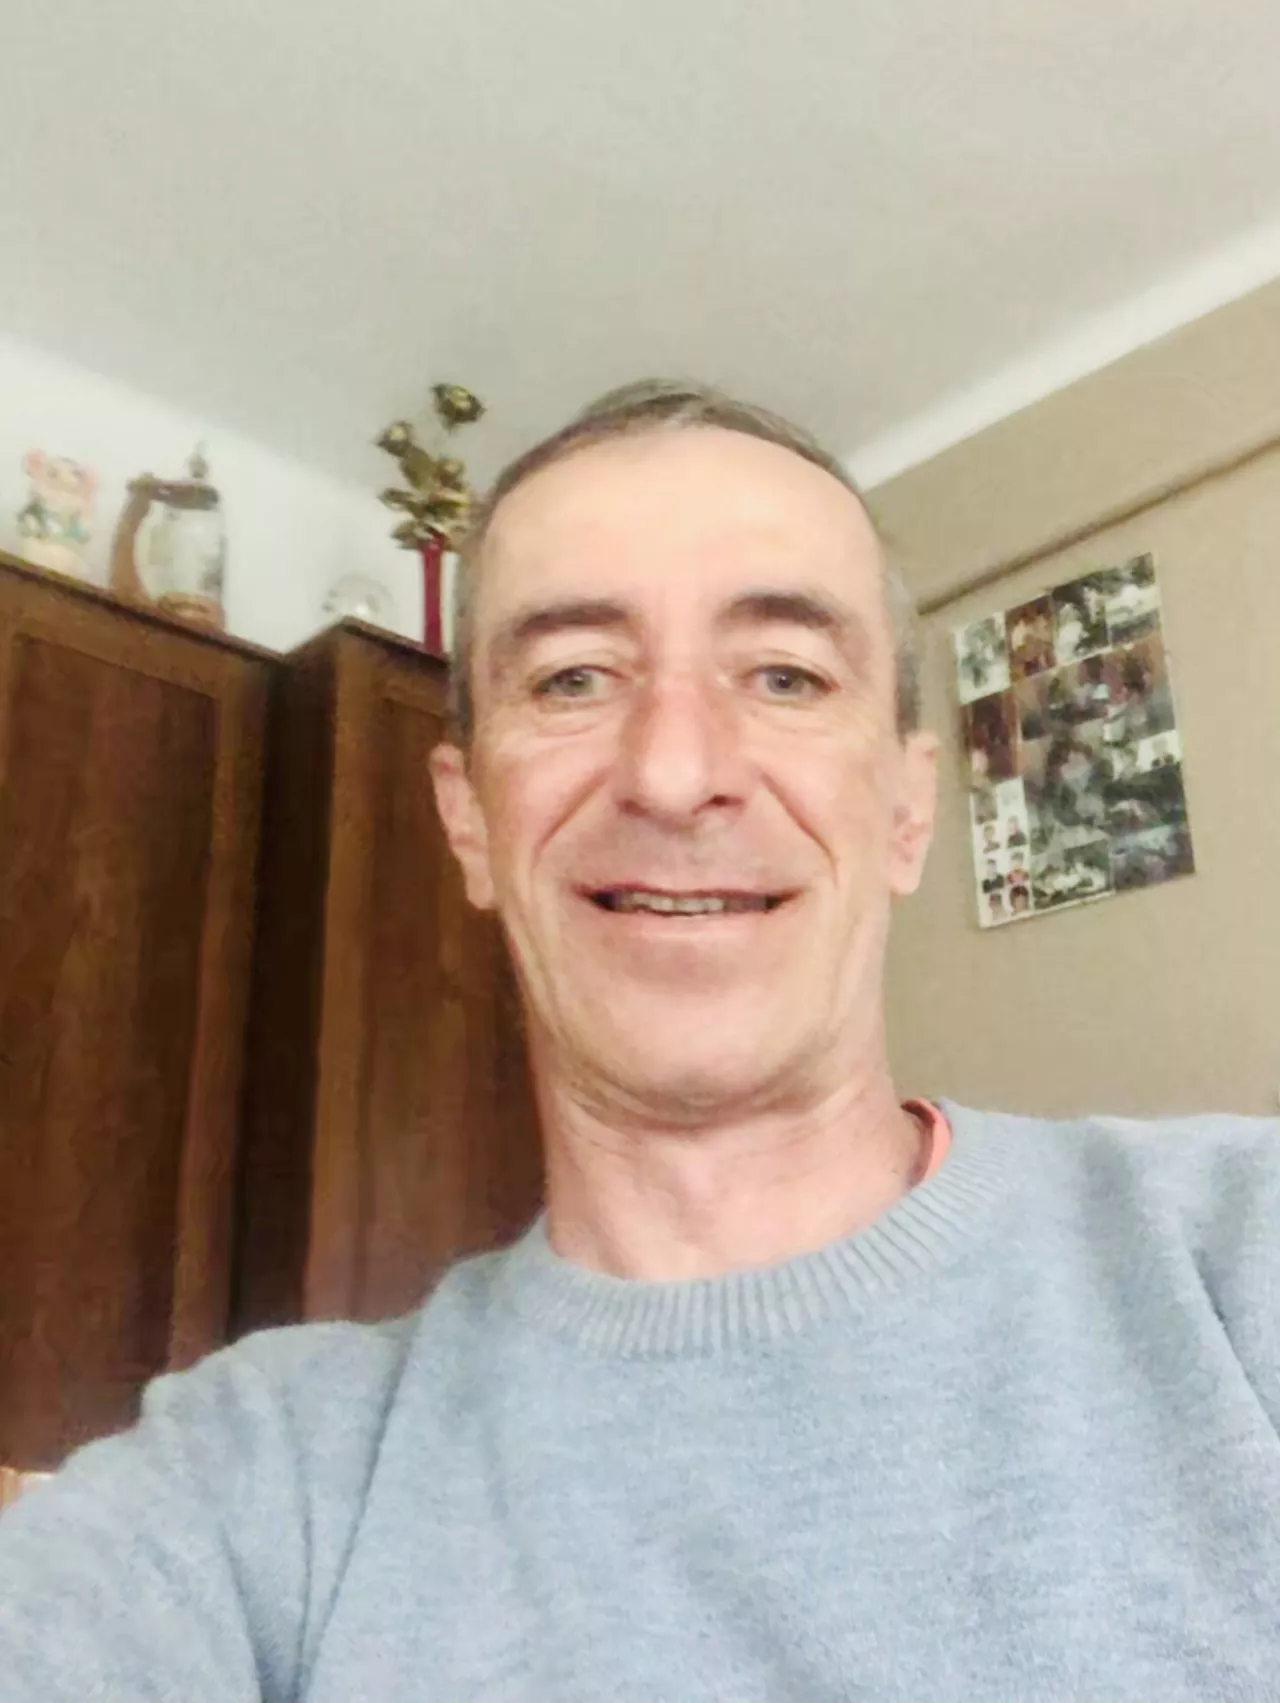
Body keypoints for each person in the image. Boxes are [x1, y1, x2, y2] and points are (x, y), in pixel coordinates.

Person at [1, 380, 1277, 1703]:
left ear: (907, 808)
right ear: (469, 821)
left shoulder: (1238, 1261)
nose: (673, 773)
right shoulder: (257, 1475)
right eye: (573, 678)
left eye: (784, 675)